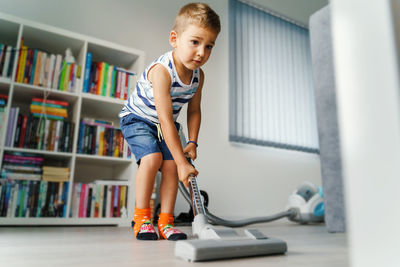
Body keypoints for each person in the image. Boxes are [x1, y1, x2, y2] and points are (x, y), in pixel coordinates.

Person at [119, 2, 220, 241]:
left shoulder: (198, 76)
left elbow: (194, 111)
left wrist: (193, 142)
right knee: (153, 159)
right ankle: (142, 218)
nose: (201, 53)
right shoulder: (162, 71)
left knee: (172, 167)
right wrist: (183, 163)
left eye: (209, 46)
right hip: (139, 118)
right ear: (175, 39)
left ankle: (165, 222)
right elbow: (164, 118)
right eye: (195, 42)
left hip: (166, 124)